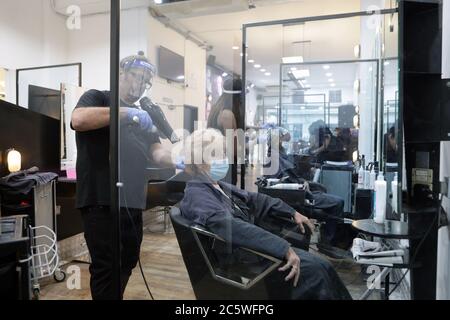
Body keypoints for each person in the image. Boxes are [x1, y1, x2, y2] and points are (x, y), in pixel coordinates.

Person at [179, 128, 352, 300]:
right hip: (247, 259)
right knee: (317, 271)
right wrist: (283, 248)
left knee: (323, 267)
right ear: (201, 163)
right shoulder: (197, 194)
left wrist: (292, 212)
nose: (225, 159)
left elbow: (256, 199)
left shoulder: (217, 186)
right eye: (218, 154)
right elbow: (231, 226)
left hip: (254, 250)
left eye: (224, 152)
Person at [71, 51, 175, 300]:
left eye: (145, 82)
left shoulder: (145, 116)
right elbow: (78, 119)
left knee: (128, 258)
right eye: (136, 77)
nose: (139, 86)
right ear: (121, 74)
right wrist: (126, 113)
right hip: (100, 200)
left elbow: (158, 153)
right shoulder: (97, 98)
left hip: (132, 201)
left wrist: (182, 159)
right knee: (106, 265)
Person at [264, 126, 346, 249]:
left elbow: (290, 174)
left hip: (300, 192)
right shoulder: (274, 157)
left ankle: (327, 241)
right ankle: (329, 244)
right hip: (299, 197)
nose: (284, 142)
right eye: (282, 139)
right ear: (278, 139)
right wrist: (301, 184)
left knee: (328, 196)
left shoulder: (279, 154)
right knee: (338, 202)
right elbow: (283, 181)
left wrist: (302, 181)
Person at [207, 78, 245, 185]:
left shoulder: (217, 109)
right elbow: (231, 149)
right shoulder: (227, 114)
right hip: (224, 167)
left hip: (218, 164)